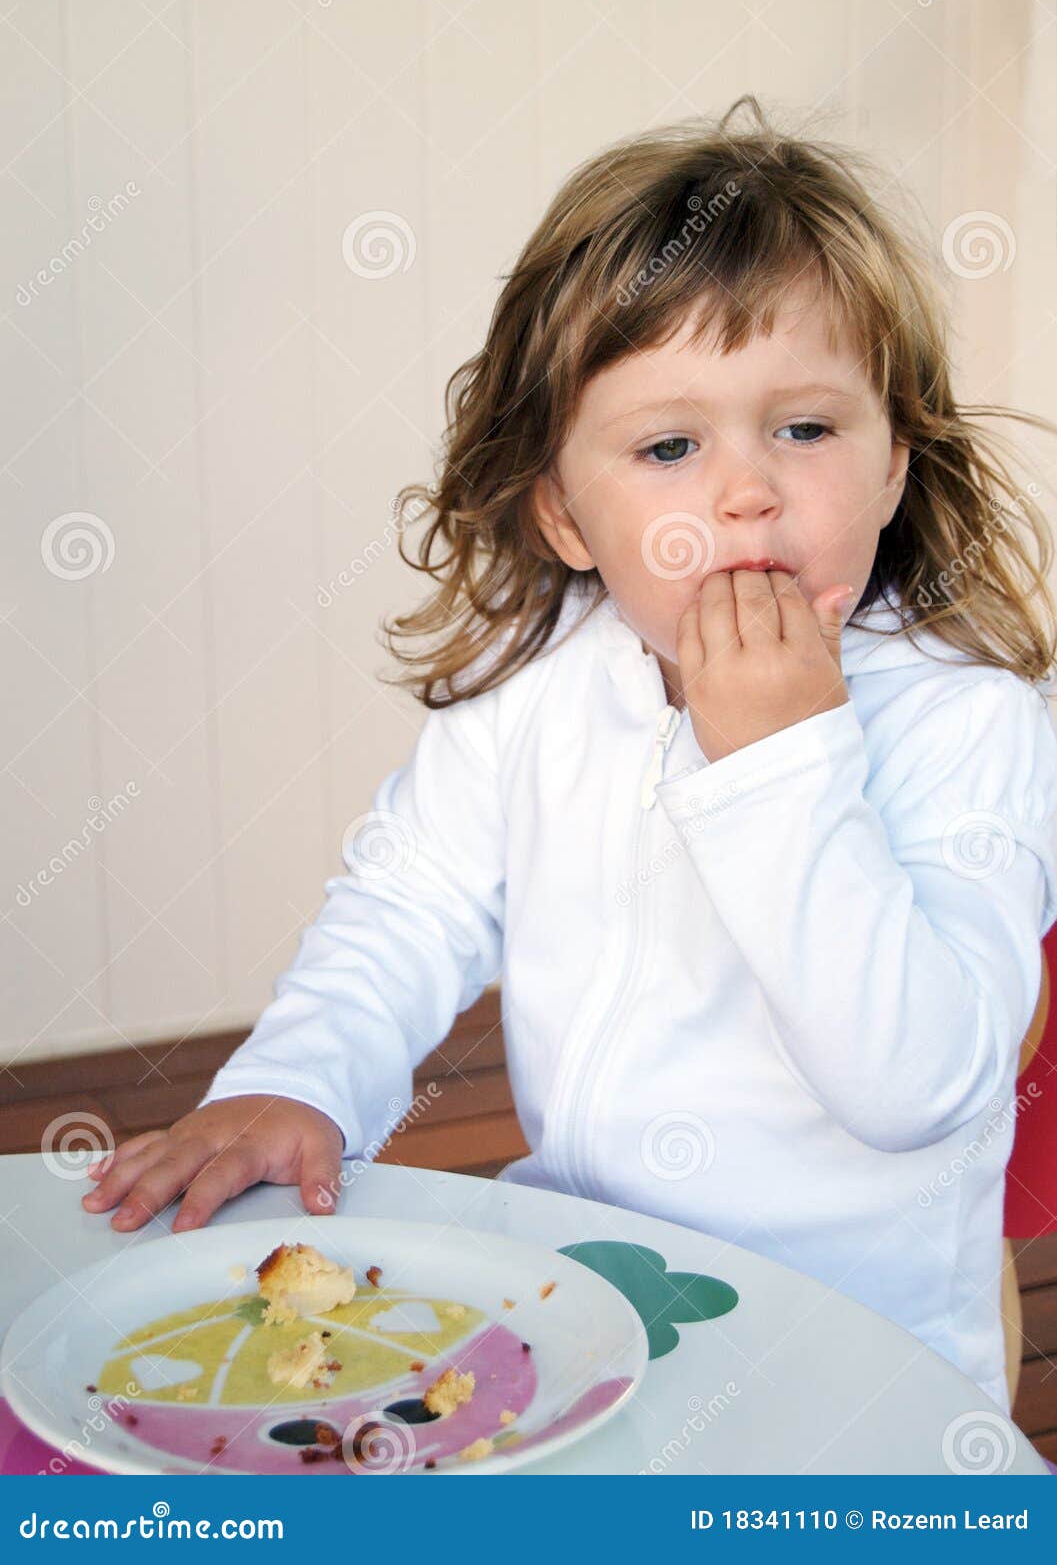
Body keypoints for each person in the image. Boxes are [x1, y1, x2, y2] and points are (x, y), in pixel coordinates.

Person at [83, 96, 1057, 1413]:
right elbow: (406, 910)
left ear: (892, 466)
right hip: (580, 1310)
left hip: (854, 1382)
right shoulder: (539, 688)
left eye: (807, 429)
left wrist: (782, 756)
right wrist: (292, 1082)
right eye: (668, 444)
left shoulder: (964, 722)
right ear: (563, 511)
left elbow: (916, 1088)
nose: (746, 489)